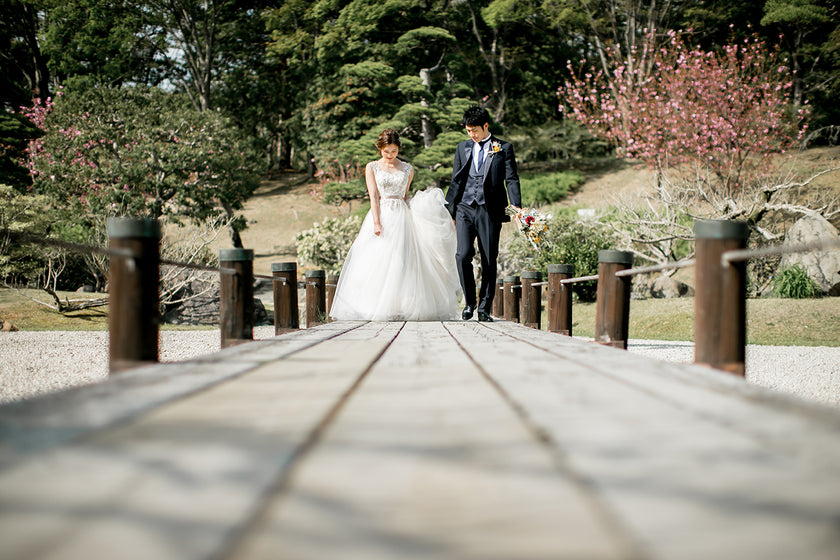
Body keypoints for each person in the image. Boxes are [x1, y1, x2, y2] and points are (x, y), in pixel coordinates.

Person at [330, 129, 461, 321]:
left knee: (404, 260)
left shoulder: (407, 169)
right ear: (380, 150)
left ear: (398, 148)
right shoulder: (372, 167)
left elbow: (405, 195)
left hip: (402, 215)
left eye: (393, 151)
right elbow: (373, 196)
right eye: (386, 151)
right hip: (382, 212)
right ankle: (377, 305)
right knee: (378, 259)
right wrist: (376, 221)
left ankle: (403, 305)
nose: (390, 155)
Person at [445, 106, 521, 322]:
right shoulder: (462, 148)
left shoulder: (503, 148)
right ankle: (470, 303)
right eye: (468, 131)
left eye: (475, 130)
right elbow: (456, 180)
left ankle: (484, 308)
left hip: (490, 210)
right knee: (462, 255)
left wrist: (516, 205)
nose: (472, 135)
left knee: (489, 258)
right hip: (464, 208)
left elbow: (511, 178)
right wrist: (450, 209)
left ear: (486, 126)